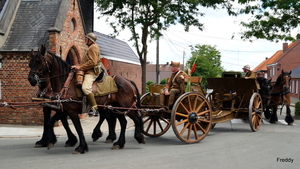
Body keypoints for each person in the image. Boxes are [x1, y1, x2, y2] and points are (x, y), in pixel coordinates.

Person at [71, 32, 101, 116]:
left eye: (86, 38)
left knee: (85, 88)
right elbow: (86, 62)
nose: (85, 40)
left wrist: (80, 67)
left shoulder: (93, 48)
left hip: (91, 72)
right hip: (87, 70)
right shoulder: (90, 47)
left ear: (90, 40)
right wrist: (76, 66)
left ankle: (95, 108)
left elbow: (93, 62)